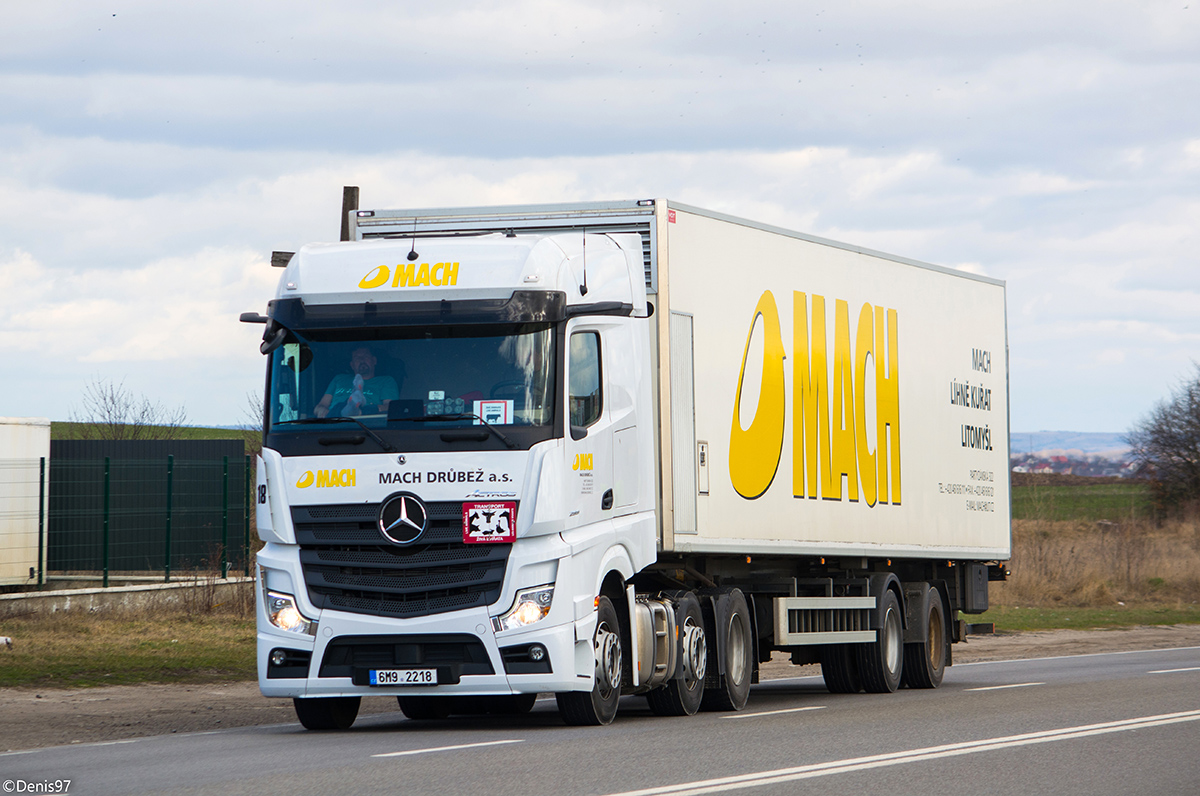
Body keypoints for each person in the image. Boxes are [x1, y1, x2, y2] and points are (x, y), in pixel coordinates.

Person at [313, 346, 401, 417]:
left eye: (365, 357)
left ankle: (354, 406)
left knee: (352, 408)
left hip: (366, 423)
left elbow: (389, 408)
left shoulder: (386, 381)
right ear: (352, 365)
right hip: (334, 421)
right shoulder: (339, 379)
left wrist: (367, 410)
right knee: (340, 407)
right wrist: (321, 411)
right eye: (357, 358)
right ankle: (352, 405)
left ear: (374, 360)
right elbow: (322, 404)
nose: (362, 360)